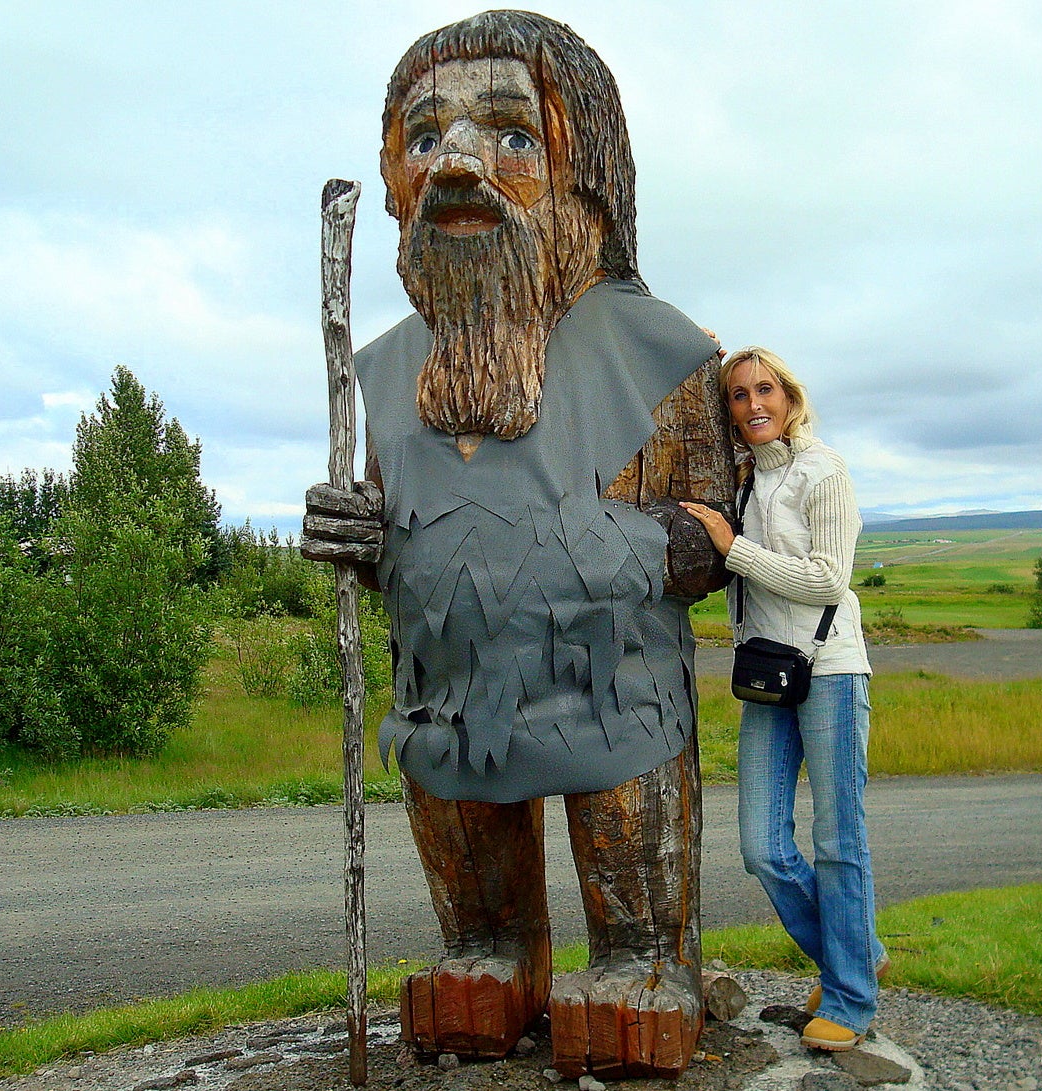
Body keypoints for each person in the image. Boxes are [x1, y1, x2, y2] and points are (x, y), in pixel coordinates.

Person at [301, 10, 735, 1080]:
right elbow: (385, 505)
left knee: (621, 788)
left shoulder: (658, 347)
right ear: (394, 180)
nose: (456, 163)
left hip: (612, 688)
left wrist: (592, 550)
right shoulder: (387, 365)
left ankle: (644, 956)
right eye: (423, 138)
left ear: (585, 173)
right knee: (455, 783)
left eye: (508, 136)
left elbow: (709, 528)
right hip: (448, 682)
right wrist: (353, 528)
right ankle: (488, 949)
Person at [680, 346, 886, 1053]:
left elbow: (829, 580)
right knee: (762, 846)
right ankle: (855, 950)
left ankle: (852, 997)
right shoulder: (742, 477)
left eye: (763, 389)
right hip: (769, 675)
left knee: (838, 839)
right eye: (738, 395)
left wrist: (732, 547)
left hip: (830, 669)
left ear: (789, 397)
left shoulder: (822, 470)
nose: (752, 404)